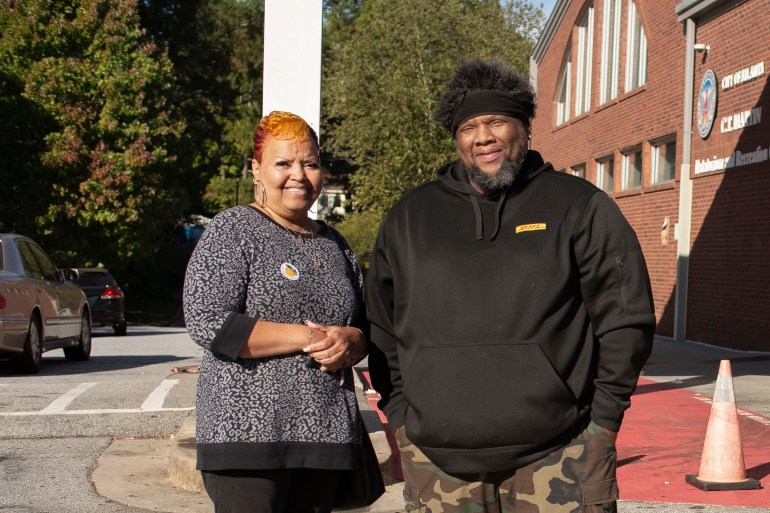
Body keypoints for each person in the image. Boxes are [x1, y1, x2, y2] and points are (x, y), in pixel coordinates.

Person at [366, 59, 656, 513]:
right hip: (438, 461)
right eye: (468, 127)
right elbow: (381, 327)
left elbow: (625, 319)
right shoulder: (409, 218)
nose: (482, 137)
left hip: (561, 453)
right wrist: (401, 417)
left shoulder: (579, 206)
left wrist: (603, 422)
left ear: (524, 128)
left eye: (496, 122)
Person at [183, 111, 368, 513]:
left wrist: (353, 340)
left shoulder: (336, 245)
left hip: (325, 433)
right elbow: (207, 320)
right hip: (246, 436)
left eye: (310, 163)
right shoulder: (233, 229)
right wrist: (308, 337)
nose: (298, 175)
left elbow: (361, 325)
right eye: (283, 163)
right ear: (257, 169)